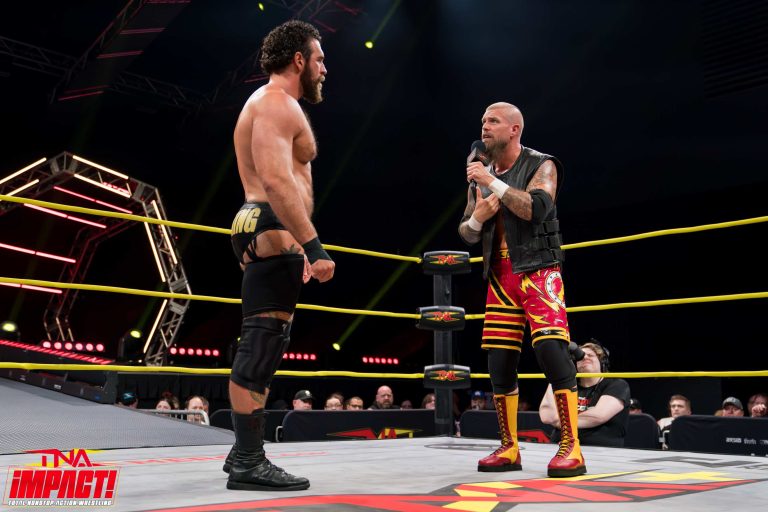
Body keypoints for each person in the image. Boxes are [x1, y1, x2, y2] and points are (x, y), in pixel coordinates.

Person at [224, 19, 334, 492]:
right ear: (299, 60)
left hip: (265, 227)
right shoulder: (274, 102)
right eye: (320, 59)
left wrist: (302, 240)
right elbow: (274, 180)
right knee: (261, 343)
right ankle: (250, 461)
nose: (325, 69)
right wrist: (313, 246)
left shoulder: (271, 103)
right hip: (270, 223)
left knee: (266, 339)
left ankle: (241, 451)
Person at [459, 102, 584, 477]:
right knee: (499, 361)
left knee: (551, 351)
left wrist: (491, 182)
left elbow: (537, 209)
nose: (484, 126)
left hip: (539, 270)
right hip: (501, 276)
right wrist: (478, 218)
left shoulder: (541, 164)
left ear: (514, 129)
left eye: (493, 121)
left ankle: (572, 448)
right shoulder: (480, 175)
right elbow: (466, 232)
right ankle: (509, 447)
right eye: (483, 120)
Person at [540, 342, 630, 447]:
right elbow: (547, 417)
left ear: (602, 362)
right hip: (560, 447)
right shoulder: (565, 385)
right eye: (580, 356)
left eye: (590, 355)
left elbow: (597, 416)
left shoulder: (616, 384)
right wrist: (557, 376)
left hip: (599, 449)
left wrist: (560, 421)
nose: (585, 357)